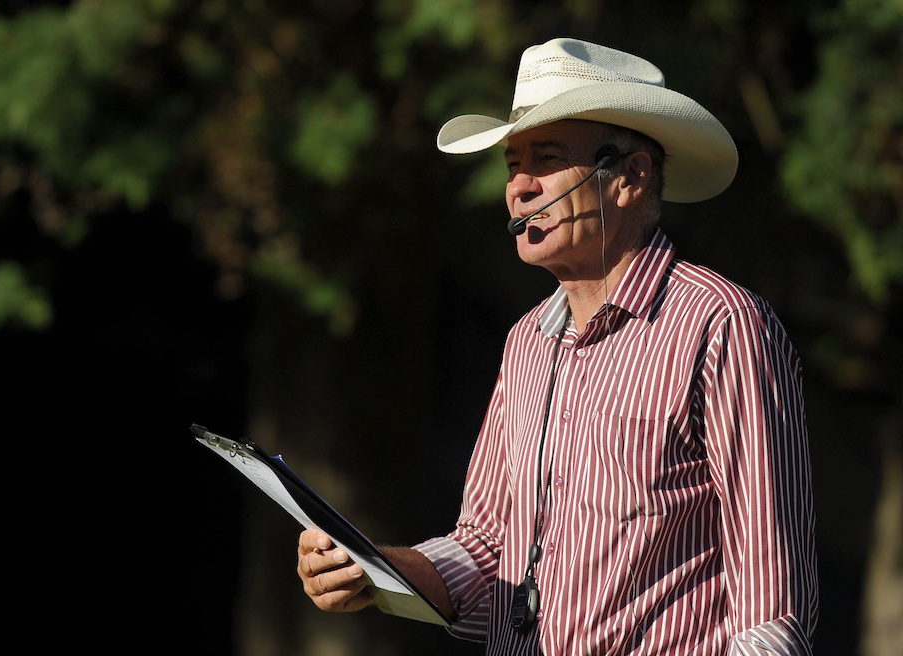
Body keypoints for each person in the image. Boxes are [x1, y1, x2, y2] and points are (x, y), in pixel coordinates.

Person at [296, 37, 818, 655]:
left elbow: (773, 612)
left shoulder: (722, 324)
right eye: (512, 164)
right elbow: (486, 550)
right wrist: (371, 568)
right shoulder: (527, 343)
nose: (519, 186)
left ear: (628, 178)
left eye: (544, 158)